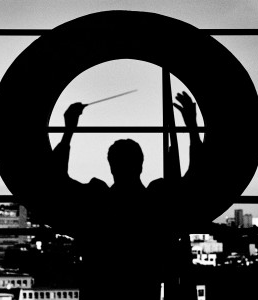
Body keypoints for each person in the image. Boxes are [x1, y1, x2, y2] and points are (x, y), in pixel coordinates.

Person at [48, 91, 202, 300]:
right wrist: (192, 128)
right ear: (140, 165)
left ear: (111, 166)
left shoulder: (96, 200)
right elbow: (197, 178)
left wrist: (69, 130)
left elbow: (56, 180)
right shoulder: (156, 200)